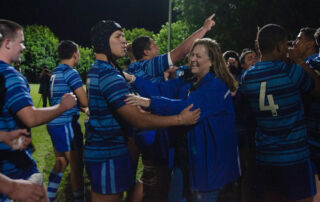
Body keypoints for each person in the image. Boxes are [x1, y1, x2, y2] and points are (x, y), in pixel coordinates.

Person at [85, 19, 200, 202]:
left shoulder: (100, 69)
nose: (124, 40)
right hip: (107, 154)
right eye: (118, 36)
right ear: (103, 40)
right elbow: (136, 119)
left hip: (108, 150)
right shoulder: (108, 74)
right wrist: (179, 119)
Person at [124, 38, 240, 202]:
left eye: (198, 56)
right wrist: (132, 79)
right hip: (183, 161)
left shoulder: (217, 86)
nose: (192, 59)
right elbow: (160, 89)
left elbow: (187, 108)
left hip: (207, 167)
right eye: (192, 54)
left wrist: (149, 103)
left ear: (212, 61)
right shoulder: (187, 81)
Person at [127, 15, 215, 201]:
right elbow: (181, 51)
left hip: (140, 130)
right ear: (146, 51)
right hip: (155, 129)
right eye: (154, 46)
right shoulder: (149, 65)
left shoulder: (134, 68)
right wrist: (204, 28)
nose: (158, 49)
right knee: (159, 181)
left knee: (147, 175)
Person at [239, 24, 320, 202]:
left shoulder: (247, 77)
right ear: (278, 46)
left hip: (266, 156)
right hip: (294, 156)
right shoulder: (290, 71)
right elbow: (317, 89)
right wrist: (298, 61)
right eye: (285, 44)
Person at [0, 19, 77, 202]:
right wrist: (62, 106)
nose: (24, 47)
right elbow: (30, 117)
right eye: (21, 41)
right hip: (15, 168)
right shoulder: (10, 76)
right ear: (8, 43)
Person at [46, 40, 88, 202]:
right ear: (75, 55)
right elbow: (84, 101)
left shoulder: (55, 71)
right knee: (77, 167)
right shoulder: (71, 72)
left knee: (61, 162)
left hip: (54, 122)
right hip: (66, 124)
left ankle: (49, 197)